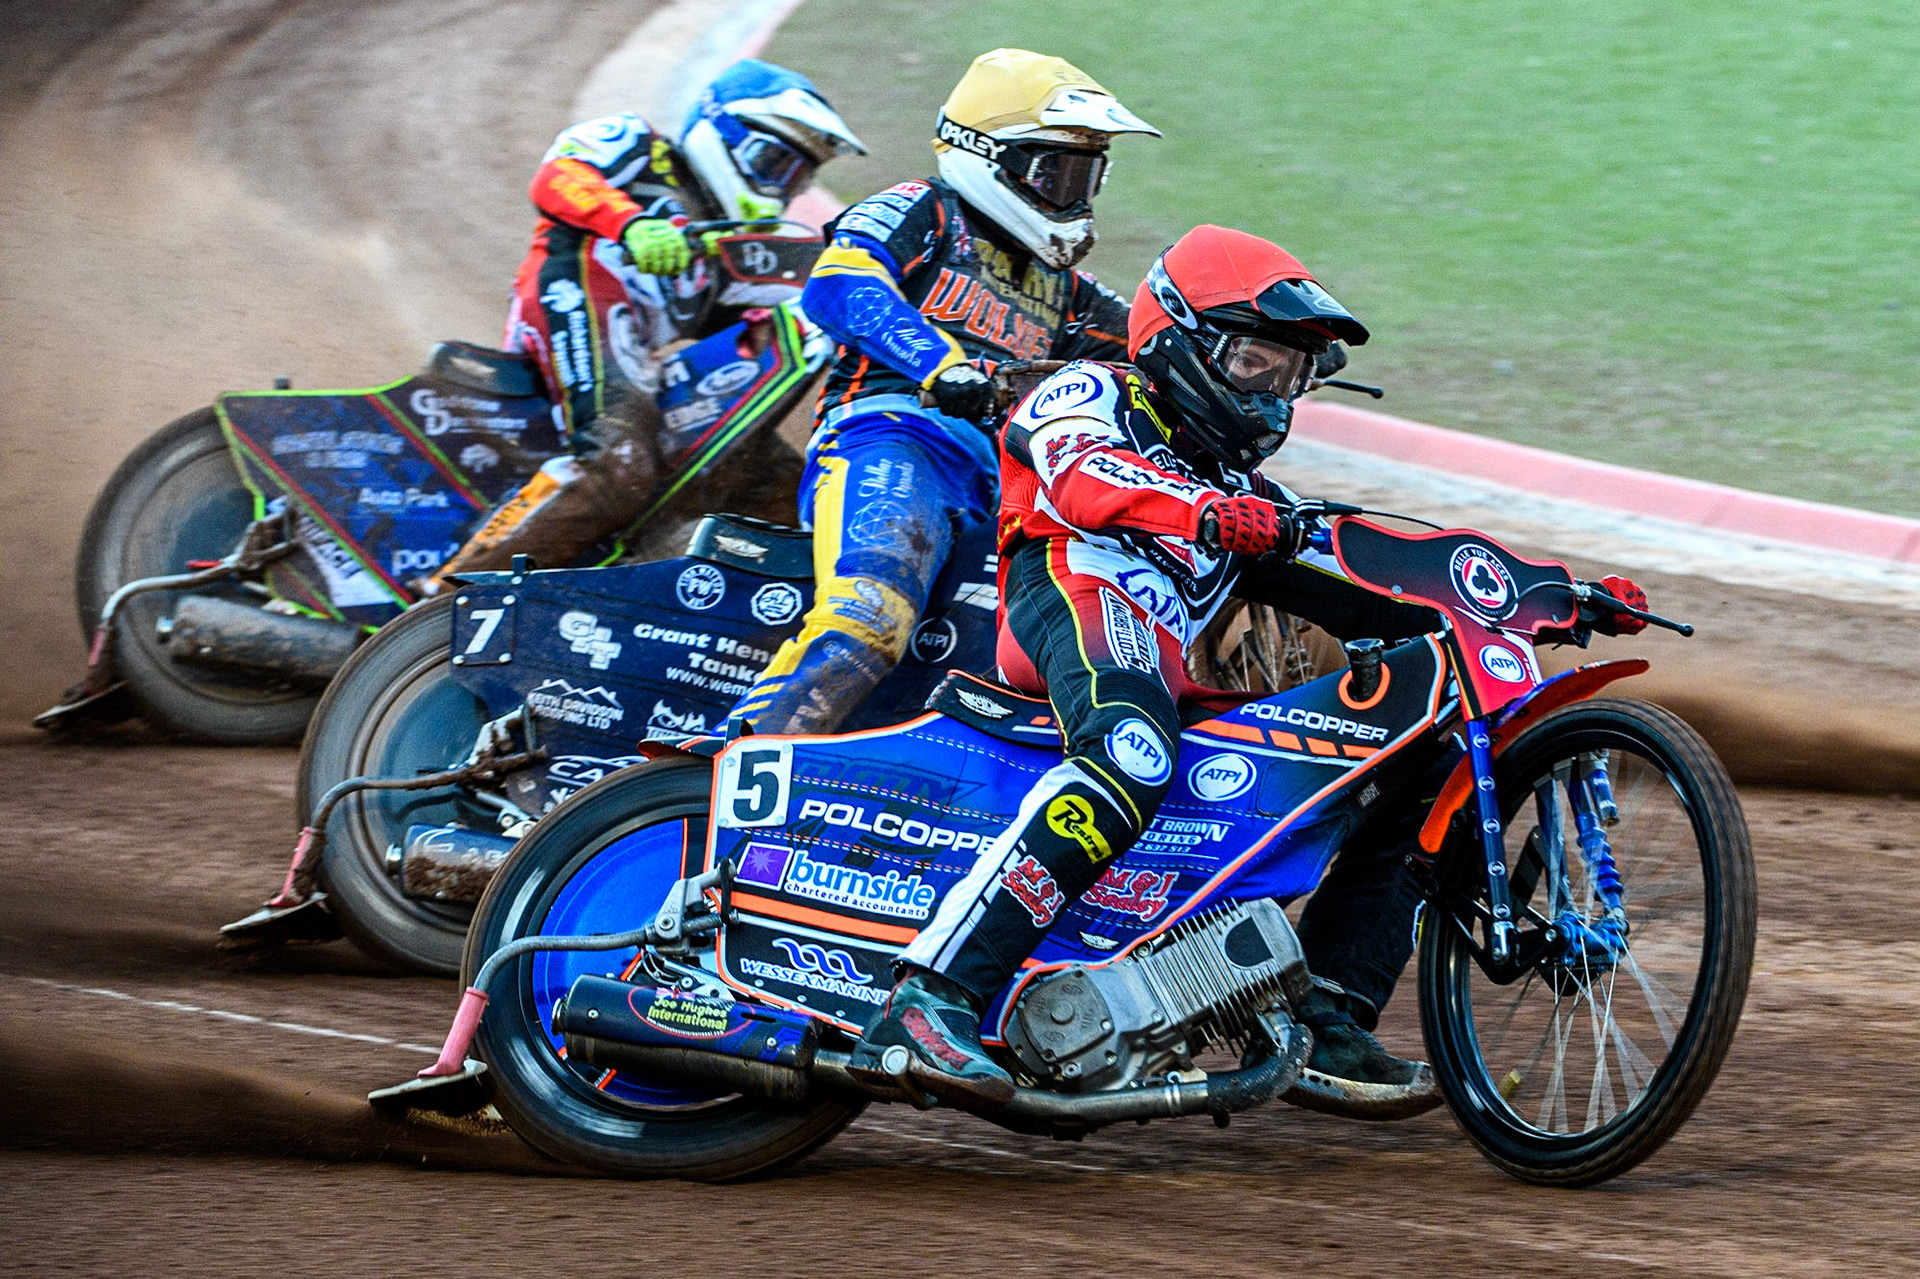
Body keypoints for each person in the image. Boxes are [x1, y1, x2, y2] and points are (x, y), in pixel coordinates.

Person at [847, 225, 1652, 1110]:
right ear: (1177, 343)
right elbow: (1083, 478)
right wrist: (1205, 513)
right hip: (1071, 592)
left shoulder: (1249, 499)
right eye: (1256, 363)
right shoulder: (1095, 391)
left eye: (1294, 377)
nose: (1275, 397)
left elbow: (1384, 580)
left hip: (1165, 659)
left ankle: (1330, 1016)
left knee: (1418, 753)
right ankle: (930, 998)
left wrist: (1548, 597)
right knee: (1130, 752)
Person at [727, 48, 1159, 733]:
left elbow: (1155, 355)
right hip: (891, 441)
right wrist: (940, 365)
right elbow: (840, 281)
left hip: (1003, 490)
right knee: (867, 618)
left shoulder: (1069, 292)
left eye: (1085, 175)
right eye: (1054, 172)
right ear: (990, 156)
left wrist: (1255, 350)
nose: (1072, 194)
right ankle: (713, 778)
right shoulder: (925, 210)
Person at [427, 60, 866, 587]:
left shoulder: (734, 245)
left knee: (785, 492)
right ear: (721, 131)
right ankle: (444, 598)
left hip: (644, 369)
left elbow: (761, 318)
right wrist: (631, 223)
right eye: (772, 162)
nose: (781, 187)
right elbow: (558, 176)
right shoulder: (638, 144)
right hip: (575, 302)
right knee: (621, 463)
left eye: (796, 176)